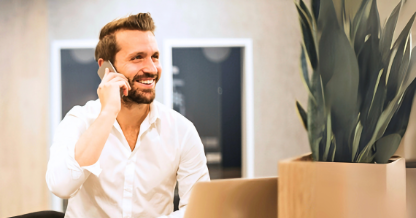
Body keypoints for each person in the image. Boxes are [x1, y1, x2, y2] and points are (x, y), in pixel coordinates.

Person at [46, 13, 210, 218]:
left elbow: (199, 210)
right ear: (106, 69)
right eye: (137, 57)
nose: (151, 68)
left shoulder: (181, 130)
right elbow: (61, 187)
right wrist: (108, 112)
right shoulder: (79, 121)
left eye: (155, 56)